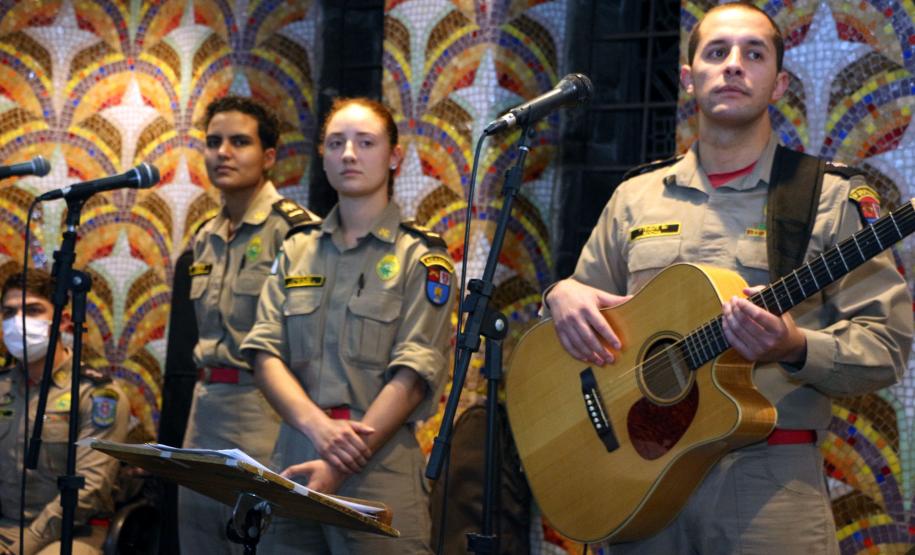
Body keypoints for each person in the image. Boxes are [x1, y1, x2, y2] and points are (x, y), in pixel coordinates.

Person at [544, 3, 912, 553]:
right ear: (689, 78)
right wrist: (562, 293)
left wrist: (794, 345)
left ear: (779, 83)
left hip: (767, 484)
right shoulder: (635, 197)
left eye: (754, 54)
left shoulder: (827, 198)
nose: (734, 64)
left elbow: (886, 347)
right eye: (717, 52)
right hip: (641, 484)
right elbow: (580, 330)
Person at [241, 97, 455, 553]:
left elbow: (415, 373)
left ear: (395, 157)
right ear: (323, 157)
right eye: (336, 143)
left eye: (366, 142)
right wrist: (317, 428)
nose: (349, 154)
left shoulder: (422, 256)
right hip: (296, 454)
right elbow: (264, 353)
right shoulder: (296, 249)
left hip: (377, 462)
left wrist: (338, 464)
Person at [179, 95, 318, 553]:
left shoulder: (298, 232)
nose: (223, 152)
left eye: (240, 142)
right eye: (214, 142)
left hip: (264, 410)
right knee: (198, 540)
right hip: (204, 410)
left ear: (269, 156)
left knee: (258, 541)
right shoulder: (204, 236)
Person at [0, 268, 129, 554]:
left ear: (63, 321)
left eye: (32, 310)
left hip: (73, 531)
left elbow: (90, 489)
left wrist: (24, 545)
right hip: (5, 525)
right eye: (9, 313)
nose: (18, 322)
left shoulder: (96, 395)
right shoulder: (2, 387)